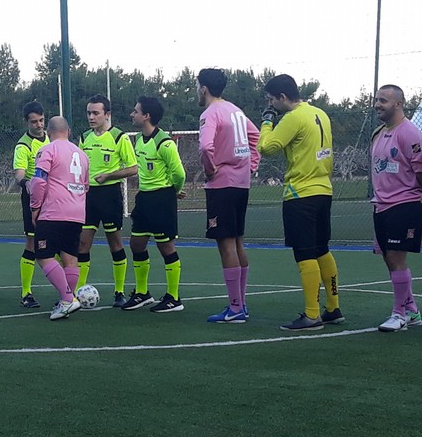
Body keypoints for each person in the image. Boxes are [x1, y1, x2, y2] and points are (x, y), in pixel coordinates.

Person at [258, 74, 343, 331]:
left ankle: (312, 314)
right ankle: (333, 307)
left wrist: (267, 121)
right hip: (323, 189)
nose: (273, 105)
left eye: (273, 100)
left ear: (283, 97)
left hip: (300, 193)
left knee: (304, 252)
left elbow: (266, 147)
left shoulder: (293, 117)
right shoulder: (320, 113)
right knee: (321, 249)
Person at [196, 68, 260, 323]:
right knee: (237, 242)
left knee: (225, 244)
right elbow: (255, 136)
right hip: (241, 184)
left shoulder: (210, 113)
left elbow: (204, 146)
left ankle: (235, 308)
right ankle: (241, 305)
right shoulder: (236, 110)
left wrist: (211, 171)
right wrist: (251, 165)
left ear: (204, 89)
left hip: (222, 185)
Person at [123, 96, 186, 312]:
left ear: (146, 116)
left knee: (165, 245)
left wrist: (173, 191)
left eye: (136, 111)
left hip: (161, 199)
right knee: (136, 243)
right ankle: (142, 293)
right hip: (144, 198)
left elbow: (179, 173)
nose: (132, 114)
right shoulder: (140, 140)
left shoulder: (165, 143)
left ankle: (174, 298)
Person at [370, 84, 422, 332]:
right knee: (389, 259)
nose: (378, 104)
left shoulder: (409, 133)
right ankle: (412, 310)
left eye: (384, 100)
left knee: (396, 257)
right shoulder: (379, 132)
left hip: (405, 203)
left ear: (399, 104)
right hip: (381, 205)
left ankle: (398, 314)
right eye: (377, 100)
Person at [77, 95, 137, 307]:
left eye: (96, 113)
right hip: (88, 196)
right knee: (83, 243)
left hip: (110, 194)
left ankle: (119, 292)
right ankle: (79, 292)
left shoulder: (119, 137)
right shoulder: (84, 138)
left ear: (107, 115)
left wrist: (109, 176)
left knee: (115, 243)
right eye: (89, 113)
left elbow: (133, 168)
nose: (91, 117)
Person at [30, 116, 89, 320]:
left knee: (43, 255)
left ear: (48, 131)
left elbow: (38, 181)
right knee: (70, 258)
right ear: (69, 131)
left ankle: (67, 299)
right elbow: (85, 186)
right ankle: (67, 300)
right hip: (77, 213)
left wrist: (35, 207)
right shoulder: (82, 155)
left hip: (54, 211)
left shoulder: (48, 149)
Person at [13, 101, 50, 308]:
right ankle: (26, 293)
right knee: (32, 244)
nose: (38, 125)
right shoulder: (23, 145)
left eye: (41, 120)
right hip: (33, 198)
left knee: (60, 243)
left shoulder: (52, 139)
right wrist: (27, 183)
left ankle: (68, 291)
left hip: (54, 197)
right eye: (34, 122)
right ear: (27, 122)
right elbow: (19, 174)